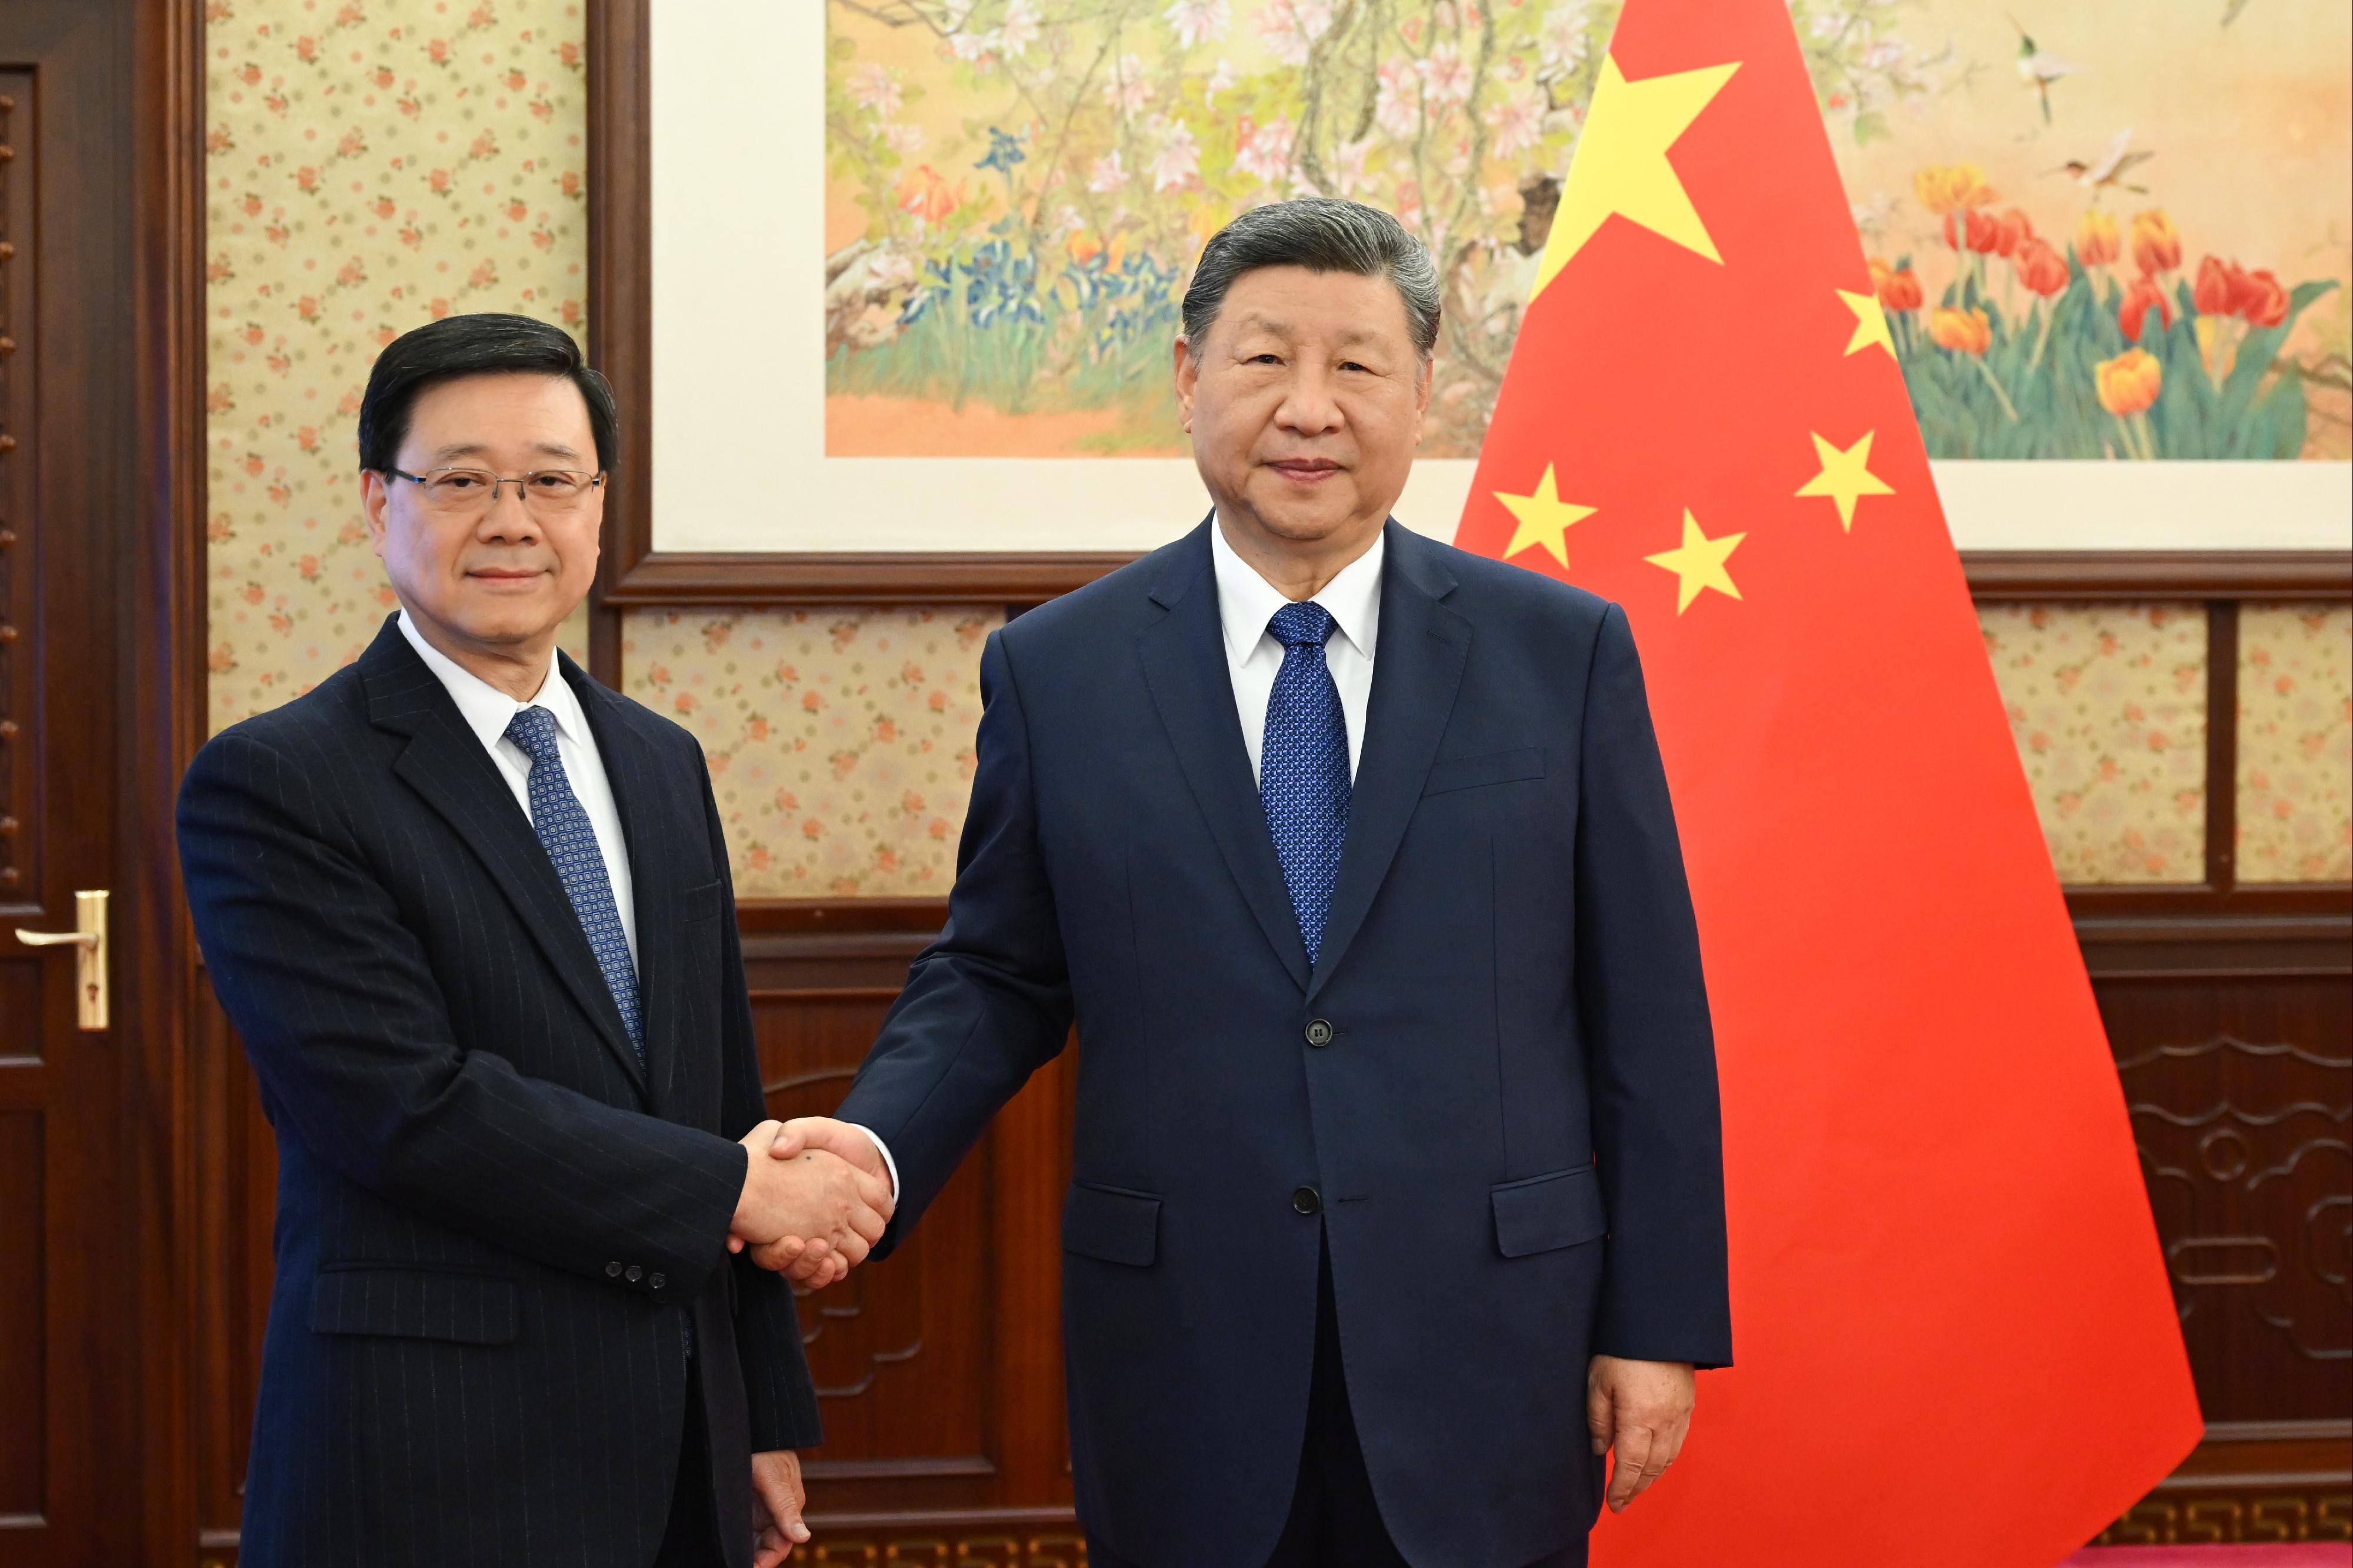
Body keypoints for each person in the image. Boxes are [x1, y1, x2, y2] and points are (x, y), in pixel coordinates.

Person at [765, 199, 1733, 1567]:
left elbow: (1645, 1007)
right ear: (1185, 380)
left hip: (1490, 1341)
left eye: (1356, 365)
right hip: (1184, 1342)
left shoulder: (1557, 655)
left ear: (1423, 393)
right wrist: (870, 1148)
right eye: (1264, 358)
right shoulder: (1059, 669)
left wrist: (1657, 1321)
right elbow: (996, 971)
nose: (1308, 408)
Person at [176, 313, 894, 1568]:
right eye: (460, 481)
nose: (511, 519)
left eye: (550, 481)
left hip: (677, 1434)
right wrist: (741, 1188)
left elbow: (718, 1086)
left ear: (597, 508)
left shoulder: (658, 762)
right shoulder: (279, 780)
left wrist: (760, 1413)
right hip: (429, 1452)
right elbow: (403, 1106)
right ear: (375, 503)